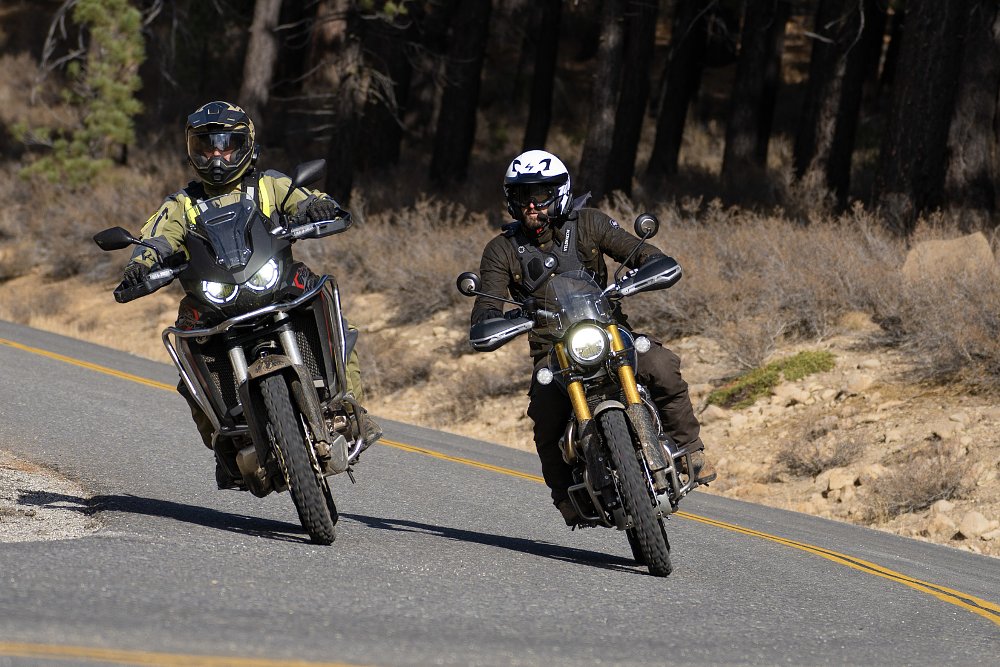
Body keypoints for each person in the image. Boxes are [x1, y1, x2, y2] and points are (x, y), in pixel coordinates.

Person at [118, 100, 380, 487]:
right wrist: (143, 263)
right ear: (193, 152)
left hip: (275, 282)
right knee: (187, 353)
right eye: (206, 147)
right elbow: (156, 235)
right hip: (214, 298)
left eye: (226, 144)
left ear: (246, 145)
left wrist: (317, 207)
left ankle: (348, 407)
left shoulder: (269, 185)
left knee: (336, 318)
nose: (217, 155)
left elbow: (305, 197)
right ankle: (224, 441)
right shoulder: (182, 204)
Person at [470, 149, 716, 526]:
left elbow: (647, 255)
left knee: (661, 365)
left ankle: (691, 450)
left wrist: (644, 272)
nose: (532, 205)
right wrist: (495, 321)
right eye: (523, 197)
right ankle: (564, 498)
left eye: (540, 195)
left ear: (560, 192)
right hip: (553, 351)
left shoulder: (589, 223)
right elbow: (486, 308)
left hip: (608, 331)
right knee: (545, 413)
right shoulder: (501, 249)